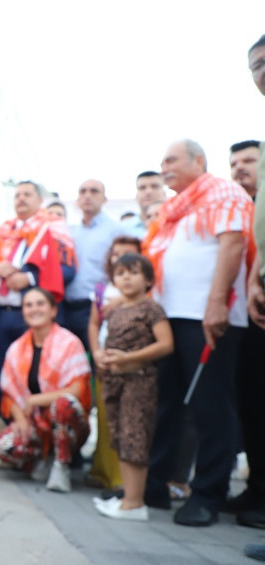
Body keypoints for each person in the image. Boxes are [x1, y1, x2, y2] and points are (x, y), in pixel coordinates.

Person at [144, 139, 252, 526]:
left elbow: (234, 242)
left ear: (199, 161)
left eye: (171, 159)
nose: (164, 166)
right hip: (170, 317)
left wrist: (217, 302)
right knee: (166, 403)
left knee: (210, 407)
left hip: (207, 316)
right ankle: (153, 486)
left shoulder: (223, 191)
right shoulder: (173, 208)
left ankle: (208, 493)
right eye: (161, 161)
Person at [0, 180, 75, 415]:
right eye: (17, 194)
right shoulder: (3, 231)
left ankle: (34, 434)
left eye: (27, 194)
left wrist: (29, 279)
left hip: (32, 316)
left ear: (39, 201)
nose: (21, 198)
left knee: (32, 374)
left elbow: (68, 271)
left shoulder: (53, 227)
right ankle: (1, 432)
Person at [92, 253, 173, 521]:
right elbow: (106, 341)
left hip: (139, 380)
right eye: (120, 273)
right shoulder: (115, 309)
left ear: (148, 279)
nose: (126, 278)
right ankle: (128, 497)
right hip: (115, 381)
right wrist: (103, 356)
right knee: (121, 439)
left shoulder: (151, 309)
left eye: (134, 272)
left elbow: (165, 344)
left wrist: (127, 358)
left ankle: (135, 502)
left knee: (135, 438)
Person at [0, 288, 91, 493]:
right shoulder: (16, 348)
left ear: (53, 311)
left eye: (40, 304)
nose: (34, 309)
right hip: (35, 423)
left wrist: (35, 400)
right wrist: (20, 419)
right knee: (4, 447)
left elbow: (76, 390)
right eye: (28, 305)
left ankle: (61, 465)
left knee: (62, 404)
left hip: (67, 424)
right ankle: (40, 459)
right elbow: (9, 395)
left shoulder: (70, 343)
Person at [85, 235, 142, 492]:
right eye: (116, 253)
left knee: (127, 421)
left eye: (128, 253)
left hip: (133, 364)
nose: (120, 258)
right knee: (106, 417)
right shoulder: (101, 289)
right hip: (105, 360)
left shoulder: (143, 290)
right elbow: (94, 323)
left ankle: (124, 478)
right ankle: (103, 472)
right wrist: (96, 352)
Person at [229, 137, 265, 529]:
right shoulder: (239, 210)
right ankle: (257, 489)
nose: (240, 168)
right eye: (234, 163)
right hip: (246, 315)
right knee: (251, 405)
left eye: (249, 160)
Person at [64, 179, 127, 352]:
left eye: (94, 191)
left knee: (99, 364)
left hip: (99, 308)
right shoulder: (70, 231)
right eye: (83, 191)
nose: (87, 196)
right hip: (67, 308)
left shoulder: (117, 231)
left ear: (104, 199)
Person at [123, 171, 166, 238]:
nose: (148, 191)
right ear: (136, 196)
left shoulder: (179, 225)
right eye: (142, 188)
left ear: (164, 193)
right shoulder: (122, 229)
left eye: (154, 186)